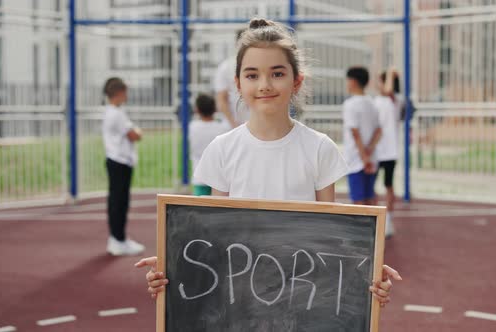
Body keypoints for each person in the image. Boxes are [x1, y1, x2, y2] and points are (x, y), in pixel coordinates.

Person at [136, 18, 401, 307]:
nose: (264, 85)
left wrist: (366, 274)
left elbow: (330, 241)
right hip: (239, 304)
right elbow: (214, 240)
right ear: (237, 83)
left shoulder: (320, 149)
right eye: (252, 75)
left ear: (296, 81)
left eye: (277, 73)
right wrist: (173, 266)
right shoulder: (222, 151)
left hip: (304, 301)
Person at [102, 77, 145, 256]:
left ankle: (118, 238)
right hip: (119, 161)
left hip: (117, 161)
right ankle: (117, 240)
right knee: (119, 202)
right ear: (119, 93)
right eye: (125, 91)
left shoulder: (113, 111)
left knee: (118, 201)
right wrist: (138, 131)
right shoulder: (116, 114)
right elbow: (134, 135)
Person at [343, 66, 382, 206]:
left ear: (353, 81)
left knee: (358, 202)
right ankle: (375, 228)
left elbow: (355, 133)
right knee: (370, 198)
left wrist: (364, 158)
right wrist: (369, 151)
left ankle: (360, 229)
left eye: (347, 80)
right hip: (371, 159)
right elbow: (379, 131)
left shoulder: (350, 104)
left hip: (356, 160)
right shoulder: (372, 103)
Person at [374, 68, 401, 237]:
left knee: (388, 186)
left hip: (389, 152)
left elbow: (388, 90)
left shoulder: (395, 100)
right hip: (376, 151)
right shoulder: (376, 100)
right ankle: (376, 221)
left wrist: (390, 72)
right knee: (371, 187)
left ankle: (388, 222)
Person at [189, 94, 230, 196]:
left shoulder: (192, 127)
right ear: (215, 109)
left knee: (199, 210)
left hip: (199, 177)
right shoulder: (224, 128)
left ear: (197, 110)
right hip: (220, 179)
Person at [213, 29, 248, 127]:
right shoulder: (226, 67)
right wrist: (232, 123)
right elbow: (221, 98)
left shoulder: (262, 64)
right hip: (232, 125)